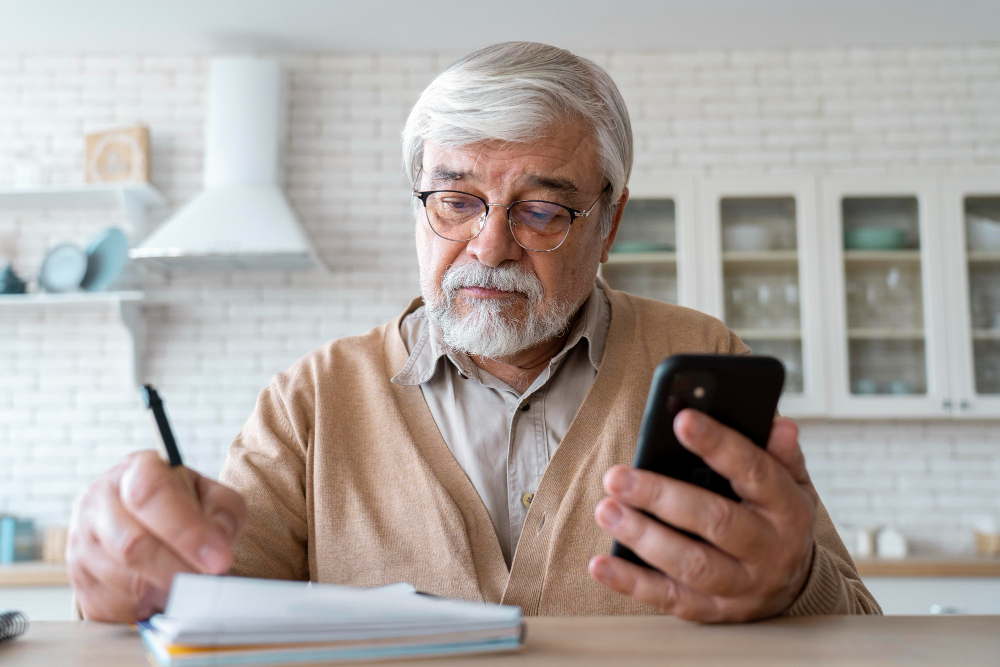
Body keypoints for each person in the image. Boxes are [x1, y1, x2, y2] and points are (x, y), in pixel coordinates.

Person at [67, 42, 879, 623]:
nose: (490, 246)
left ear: (610, 221)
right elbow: (210, 601)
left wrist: (795, 580)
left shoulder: (702, 358)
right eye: (456, 201)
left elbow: (858, 623)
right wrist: (130, 574)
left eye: (541, 210)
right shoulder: (311, 398)